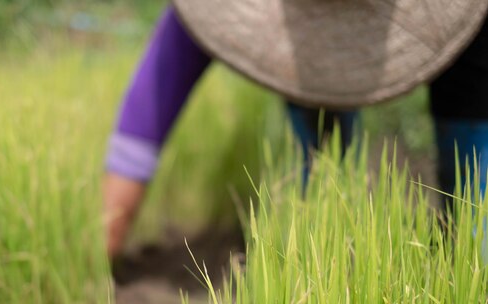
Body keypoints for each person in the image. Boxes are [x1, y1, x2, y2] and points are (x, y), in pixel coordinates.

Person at [104, 4, 488, 258]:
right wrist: (102, 245)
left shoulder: (464, 22)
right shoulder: (209, 13)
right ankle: (320, 248)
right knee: (322, 169)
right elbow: (146, 115)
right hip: (304, 51)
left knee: (475, 216)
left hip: (471, 63)